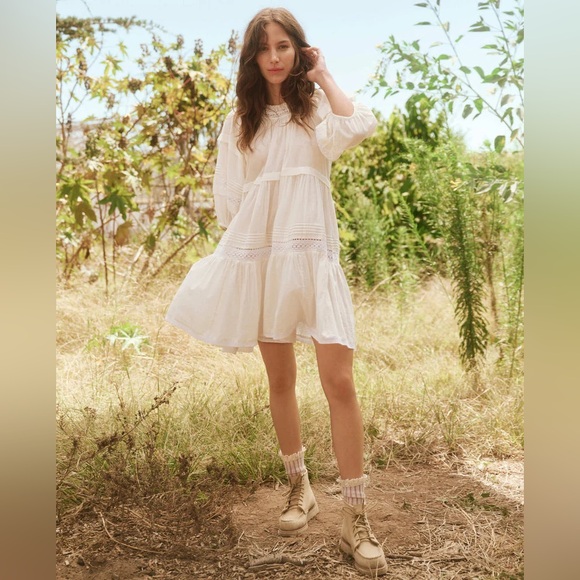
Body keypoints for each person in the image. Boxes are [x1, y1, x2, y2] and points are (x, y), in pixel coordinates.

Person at [165, 7, 386, 576]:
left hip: (312, 258)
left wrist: (324, 74)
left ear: (299, 50)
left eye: (284, 45)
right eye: (264, 48)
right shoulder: (241, 121)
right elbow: (231, 201)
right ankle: (300, 489)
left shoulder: (317, 111)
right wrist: (249, 258)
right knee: (280, 379)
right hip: (264, 259)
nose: (274, 57)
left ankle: (356, 517)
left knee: (340, 381)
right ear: (252, 57)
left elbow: (359, 124)